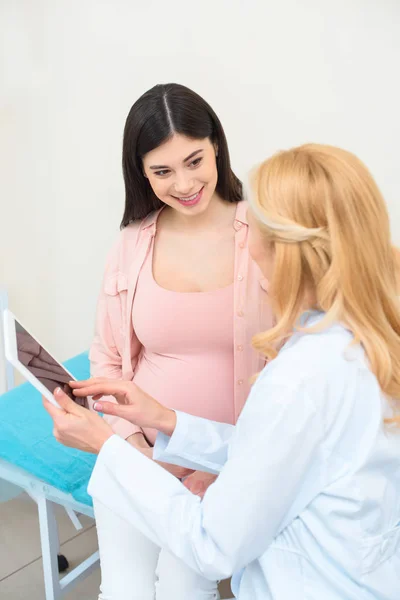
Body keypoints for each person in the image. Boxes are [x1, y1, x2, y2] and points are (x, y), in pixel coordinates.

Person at [45, 143, 400, 599]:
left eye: (256, 225)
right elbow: (280, 450)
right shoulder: (365, 339)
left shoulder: (300, 379)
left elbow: (211, 543)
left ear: (284, 251)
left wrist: (106, 446)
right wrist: (167, 421)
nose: (245, 238)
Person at [87, 83, 272, 599]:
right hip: (138, 453)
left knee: (182, 592)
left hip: (221, 466)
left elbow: (292, 370)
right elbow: (106, 356)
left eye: (194, 160)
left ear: (216, 145)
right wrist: (130, 444)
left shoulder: (263, 237)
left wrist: (231, 472)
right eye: (162, 171)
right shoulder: (132, 243)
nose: (185, 183)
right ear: (141, 173)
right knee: (122, 591)